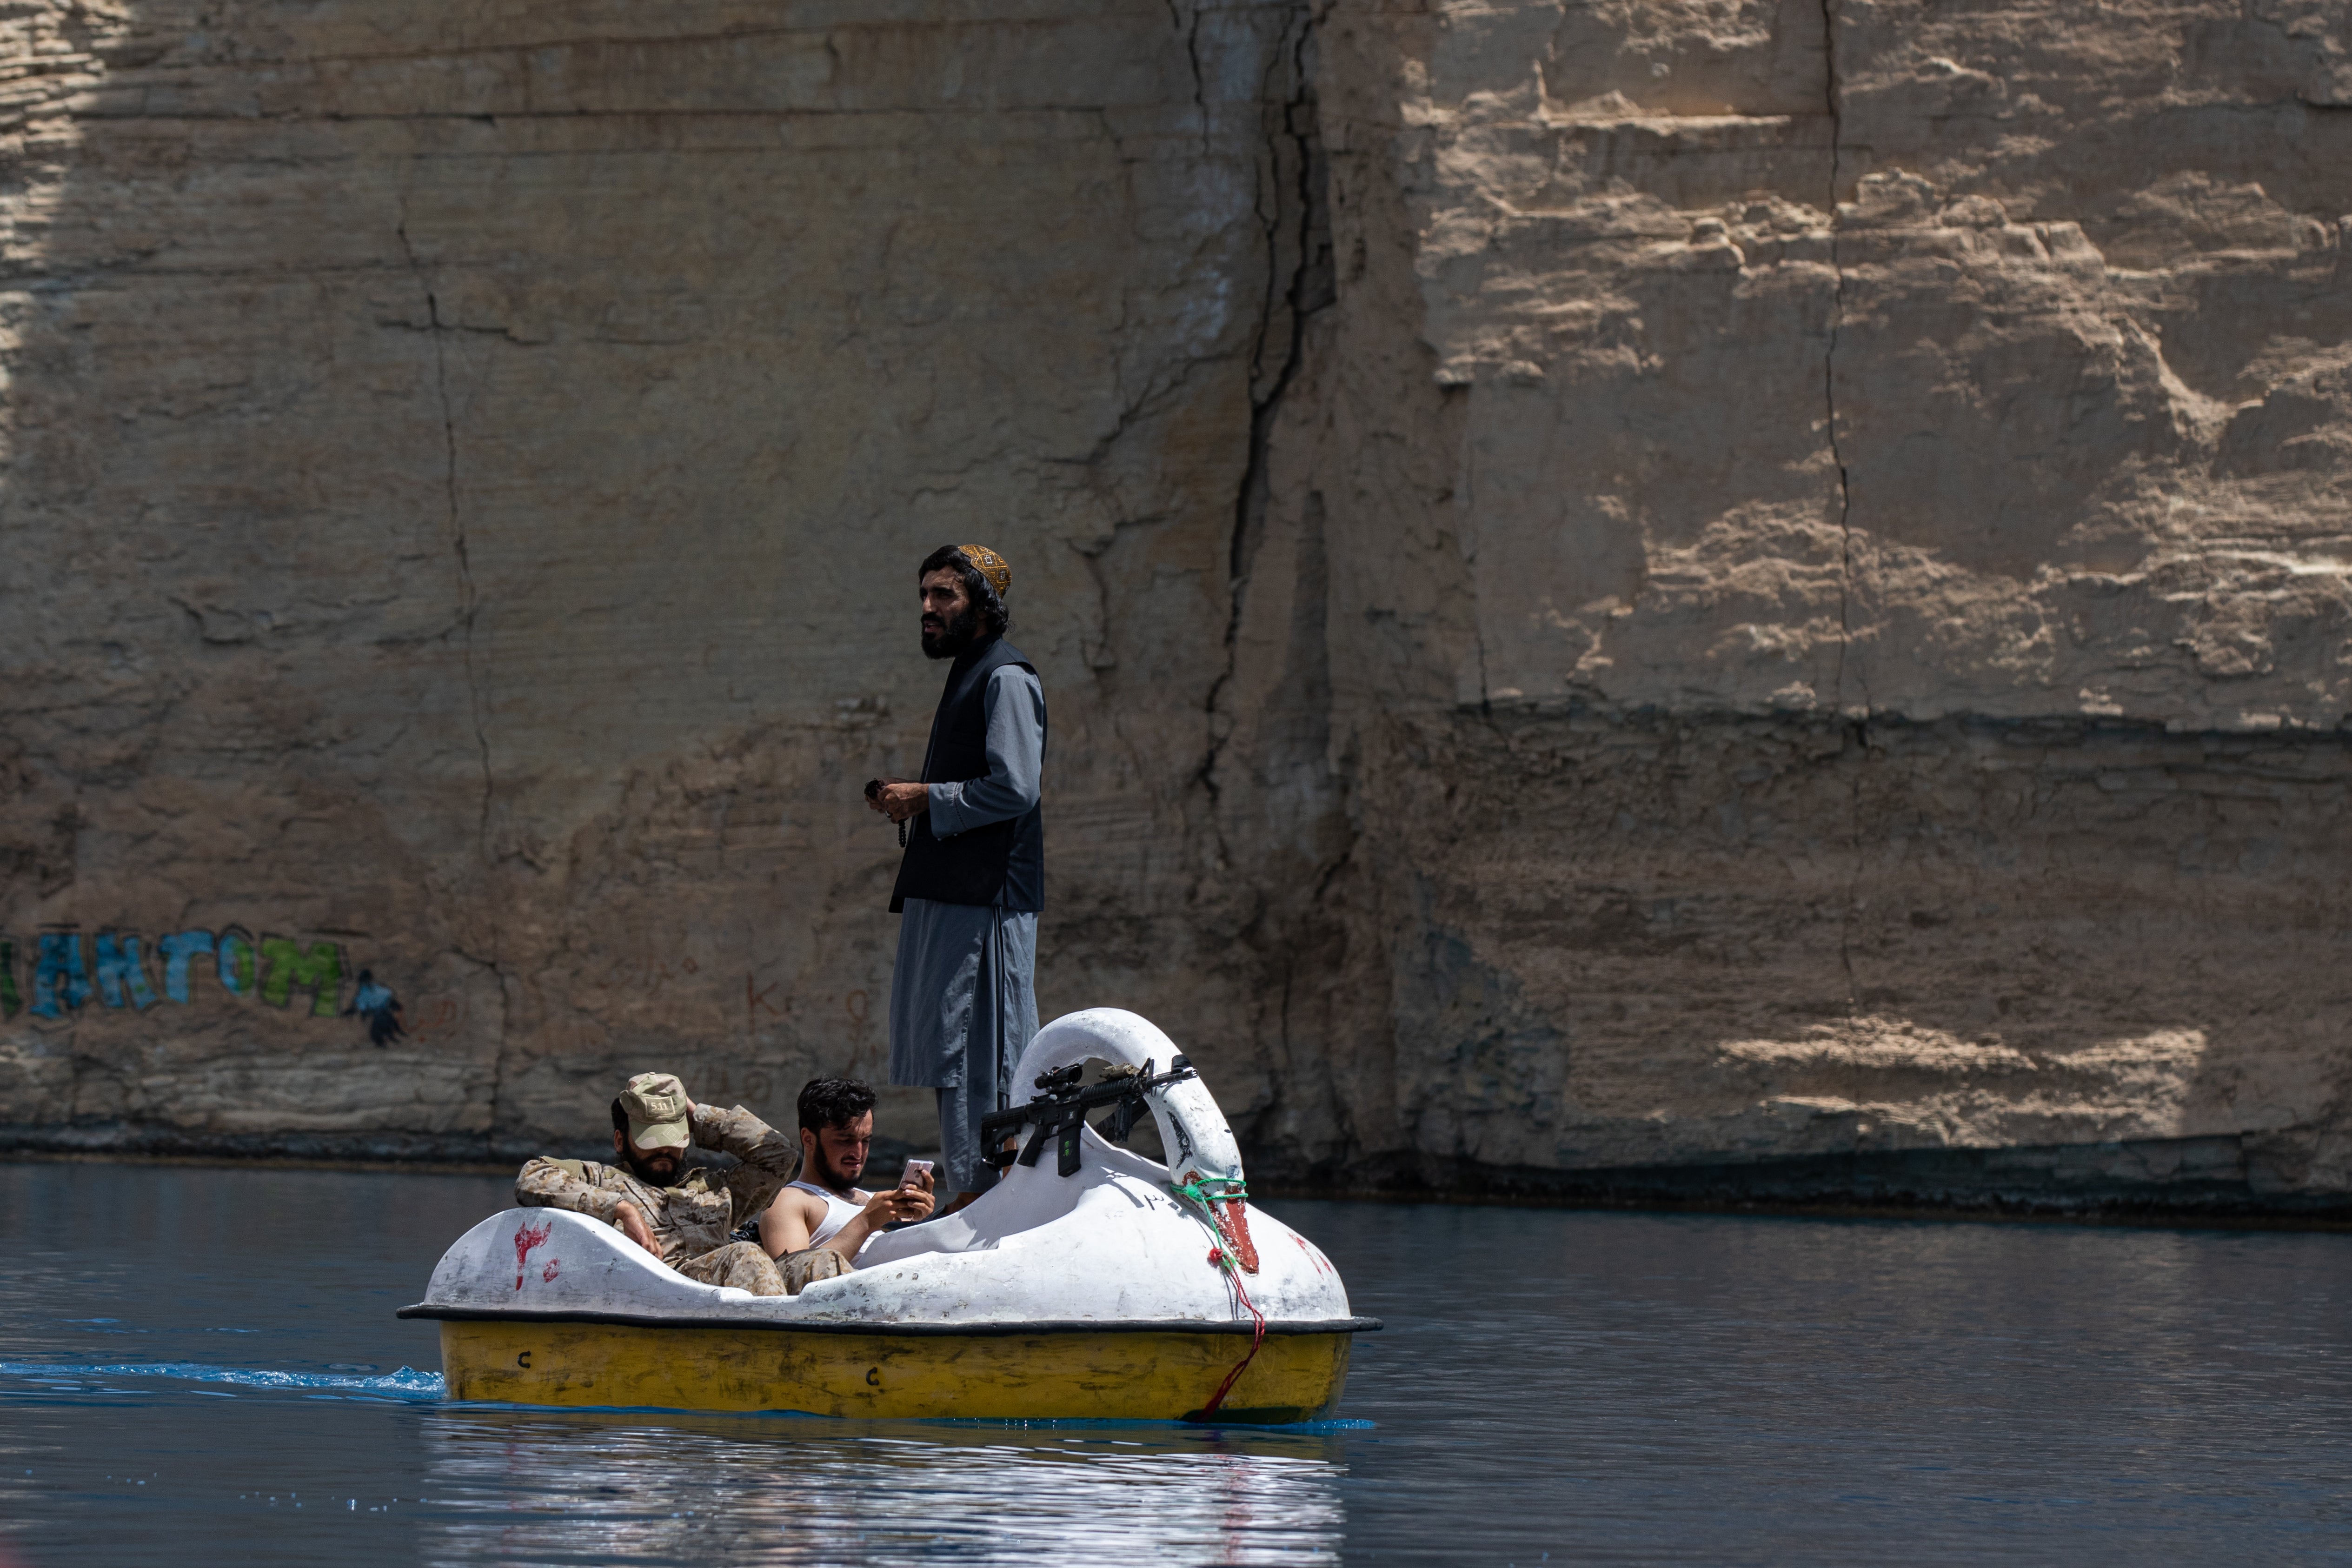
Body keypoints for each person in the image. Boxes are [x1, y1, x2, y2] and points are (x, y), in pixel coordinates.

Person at [865, 544, 1046, 1212]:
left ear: (982, 604)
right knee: (948, 1047)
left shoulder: (1006, 677)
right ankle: (970, 1188)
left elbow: (1014, 790)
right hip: (951, 891)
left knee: (984, 1049)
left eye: (945, 595)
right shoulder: (970, 673)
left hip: (987, 897)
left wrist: (926, 800)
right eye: (923, 595)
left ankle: (986, 1195)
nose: (928, 609)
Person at [515, 1071, 797, 1295]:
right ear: (620, 1141)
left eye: (671, 1137)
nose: (664, 1149)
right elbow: (532, 1177)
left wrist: (697, 1115)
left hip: (728, 1298)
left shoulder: (719, 1191)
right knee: (745, 1255)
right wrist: (621, 1208)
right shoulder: (599, 1180)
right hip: (661, 1298)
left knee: (822, 1263)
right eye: (651, 1138)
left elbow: (780, 1156)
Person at [756, 1076, 935, 1280]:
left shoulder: (877, 1201)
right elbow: (793, 1282)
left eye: (865, 1141)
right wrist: (866, 1222)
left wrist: (921, 1221)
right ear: (809, 1139)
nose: (858, 1153)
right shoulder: (789, 1201)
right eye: (845, 1141)